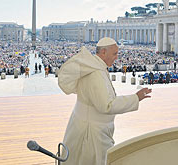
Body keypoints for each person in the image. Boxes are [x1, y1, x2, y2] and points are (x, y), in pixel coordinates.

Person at [58, 37, 152, 165]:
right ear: (103, 52)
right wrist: (136, 98)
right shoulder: (95, 73)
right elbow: (106, 105)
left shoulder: (95, 67)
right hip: (91, 132)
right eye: (114, 53)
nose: (116, 57)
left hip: (88, 126)